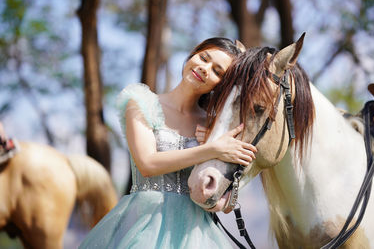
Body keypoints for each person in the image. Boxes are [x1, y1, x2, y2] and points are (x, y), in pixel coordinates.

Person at [79, 38, 257, 249]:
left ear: (222, 84)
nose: (204, 68)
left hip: (197, 235)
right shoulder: (142, 102)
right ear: (192, 55)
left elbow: (225, 199)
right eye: (203, 57)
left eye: (217, 71)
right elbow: (147, 164)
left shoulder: (214, 126)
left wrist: (222, 193)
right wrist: (211, 149)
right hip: (143, 224)